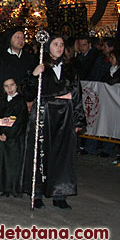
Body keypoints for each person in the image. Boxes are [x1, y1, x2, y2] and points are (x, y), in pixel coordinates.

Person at [20, 35, 86, 209]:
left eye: (62, 44)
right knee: (40, 151)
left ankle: (59, 193)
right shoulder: (40, 67)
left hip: (64, 115)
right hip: (44, 114)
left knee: (62, 154)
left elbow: (77, 94)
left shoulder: (71, 69)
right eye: (55, 44)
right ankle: (38, 192)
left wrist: (78, 120)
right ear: (48, 46)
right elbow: (27, 92)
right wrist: (34, 75)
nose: (59, 47)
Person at [0, 78, 28, 197]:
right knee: (2, 163)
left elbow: (21, 120)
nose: (10, 89)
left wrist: (9, 134)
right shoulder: (0, 100)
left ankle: (15, 188)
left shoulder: (20, 101)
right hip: (1, 136)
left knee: (13, 164)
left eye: (12, 85)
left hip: (14, 137)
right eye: (6, 86)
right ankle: (5, 188)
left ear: (16, 86)